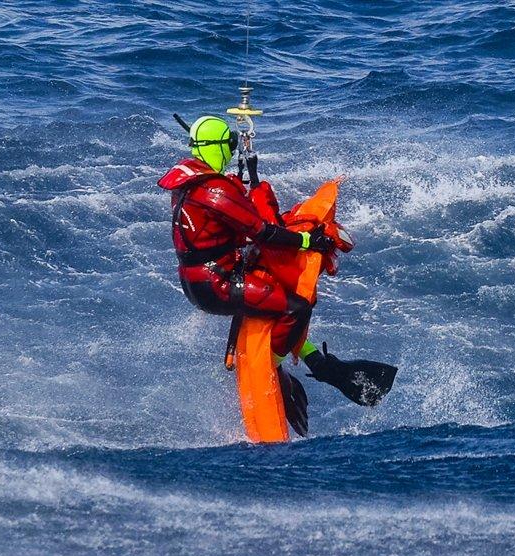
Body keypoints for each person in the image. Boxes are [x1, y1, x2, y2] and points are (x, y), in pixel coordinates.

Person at [158, 114, 397, 407]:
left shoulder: (188, 185)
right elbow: (262, 231)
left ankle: (318, 363)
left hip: (198, 281)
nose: (232, 151)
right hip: (218, 284)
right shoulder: (215, 190)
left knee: (275, 287)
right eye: (230, 145)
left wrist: (249, 181)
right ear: (218, 147)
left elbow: (227, 225)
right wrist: (308, 241)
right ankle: (271, 364)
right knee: (297, 308)